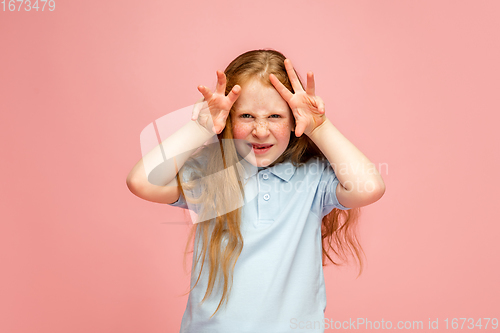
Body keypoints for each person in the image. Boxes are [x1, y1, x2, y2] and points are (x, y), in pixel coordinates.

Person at [126, 49, 386, 333]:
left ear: (294, 119)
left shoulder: (312, 177)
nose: (260, 131)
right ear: (228, 119)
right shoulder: (212, 172)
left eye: (275, 115)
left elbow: (369, 188)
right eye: (247, 116)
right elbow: (142, 182)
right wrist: (199, 128)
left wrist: (320, 128)